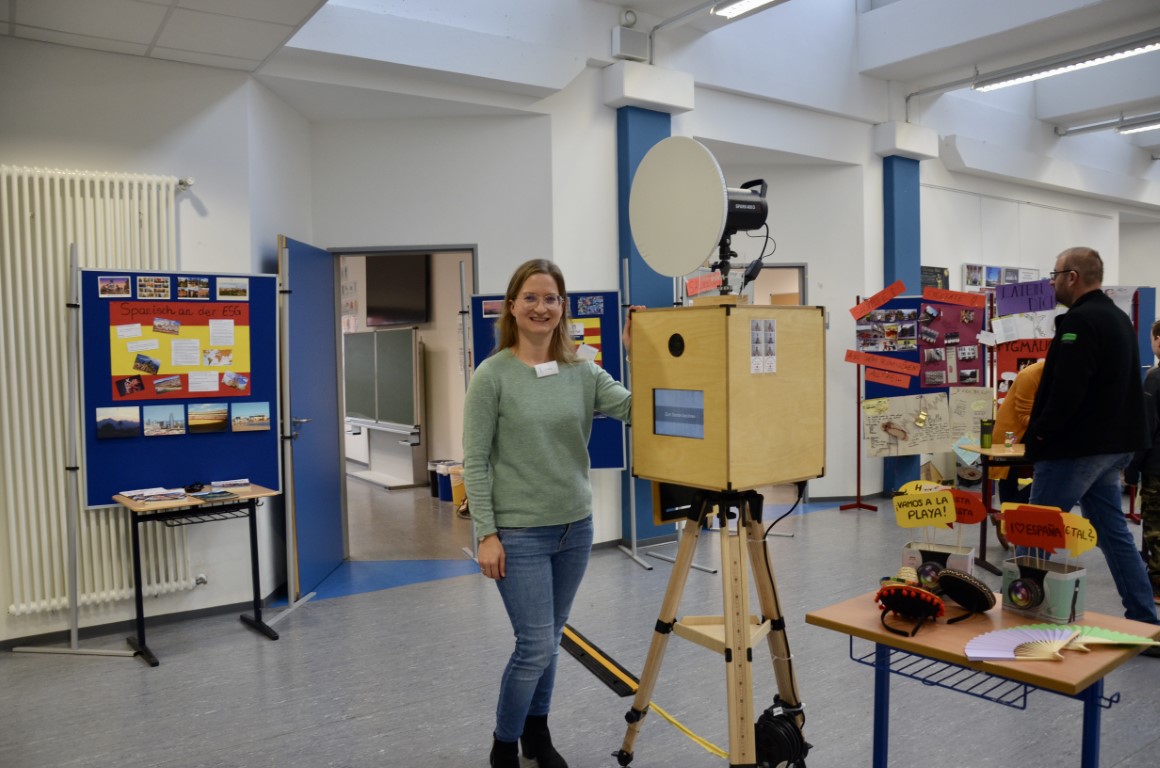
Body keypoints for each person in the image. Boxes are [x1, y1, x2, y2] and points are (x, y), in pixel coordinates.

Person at [463, 259, 637, 768]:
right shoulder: (492, 375)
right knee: (535, 646)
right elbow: (474, 460)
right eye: (531, 297)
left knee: (550, 640)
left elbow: (636, 410)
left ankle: (536, 735)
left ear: (563, 308)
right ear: (512, 306)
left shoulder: (583, 370)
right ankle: (504, 744)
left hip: (574, 529)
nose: (542, 307)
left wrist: (638, 352)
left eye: (552, 298)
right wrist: (486, 534)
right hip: (518, 533)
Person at [1022, 246, 1157, 626]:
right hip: (1113, 447)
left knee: (1033, 530)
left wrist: (1039, 436)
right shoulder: (1116, 317)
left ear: (1073, 277)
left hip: (1076, 448)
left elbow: (1067, 390)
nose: (1052, 282)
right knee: (1114, 533)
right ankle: (1145, 620)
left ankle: (1025, 613)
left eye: (1055, 275)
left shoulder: (1079, 322)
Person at [1125, 319, 1160, 603]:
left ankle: (1157, 584)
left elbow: (1146, 426)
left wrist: (1132, 467)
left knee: (1155, 526)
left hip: (1157, 466)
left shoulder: (1154, 378)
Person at [989, 360, 1045, 506]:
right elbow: (1024, 416)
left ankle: (1008, 511)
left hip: (1033, 432)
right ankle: (1009, 512)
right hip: (1013, 432)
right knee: (1008, 476)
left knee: (1050, 474)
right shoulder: (1030, 375)